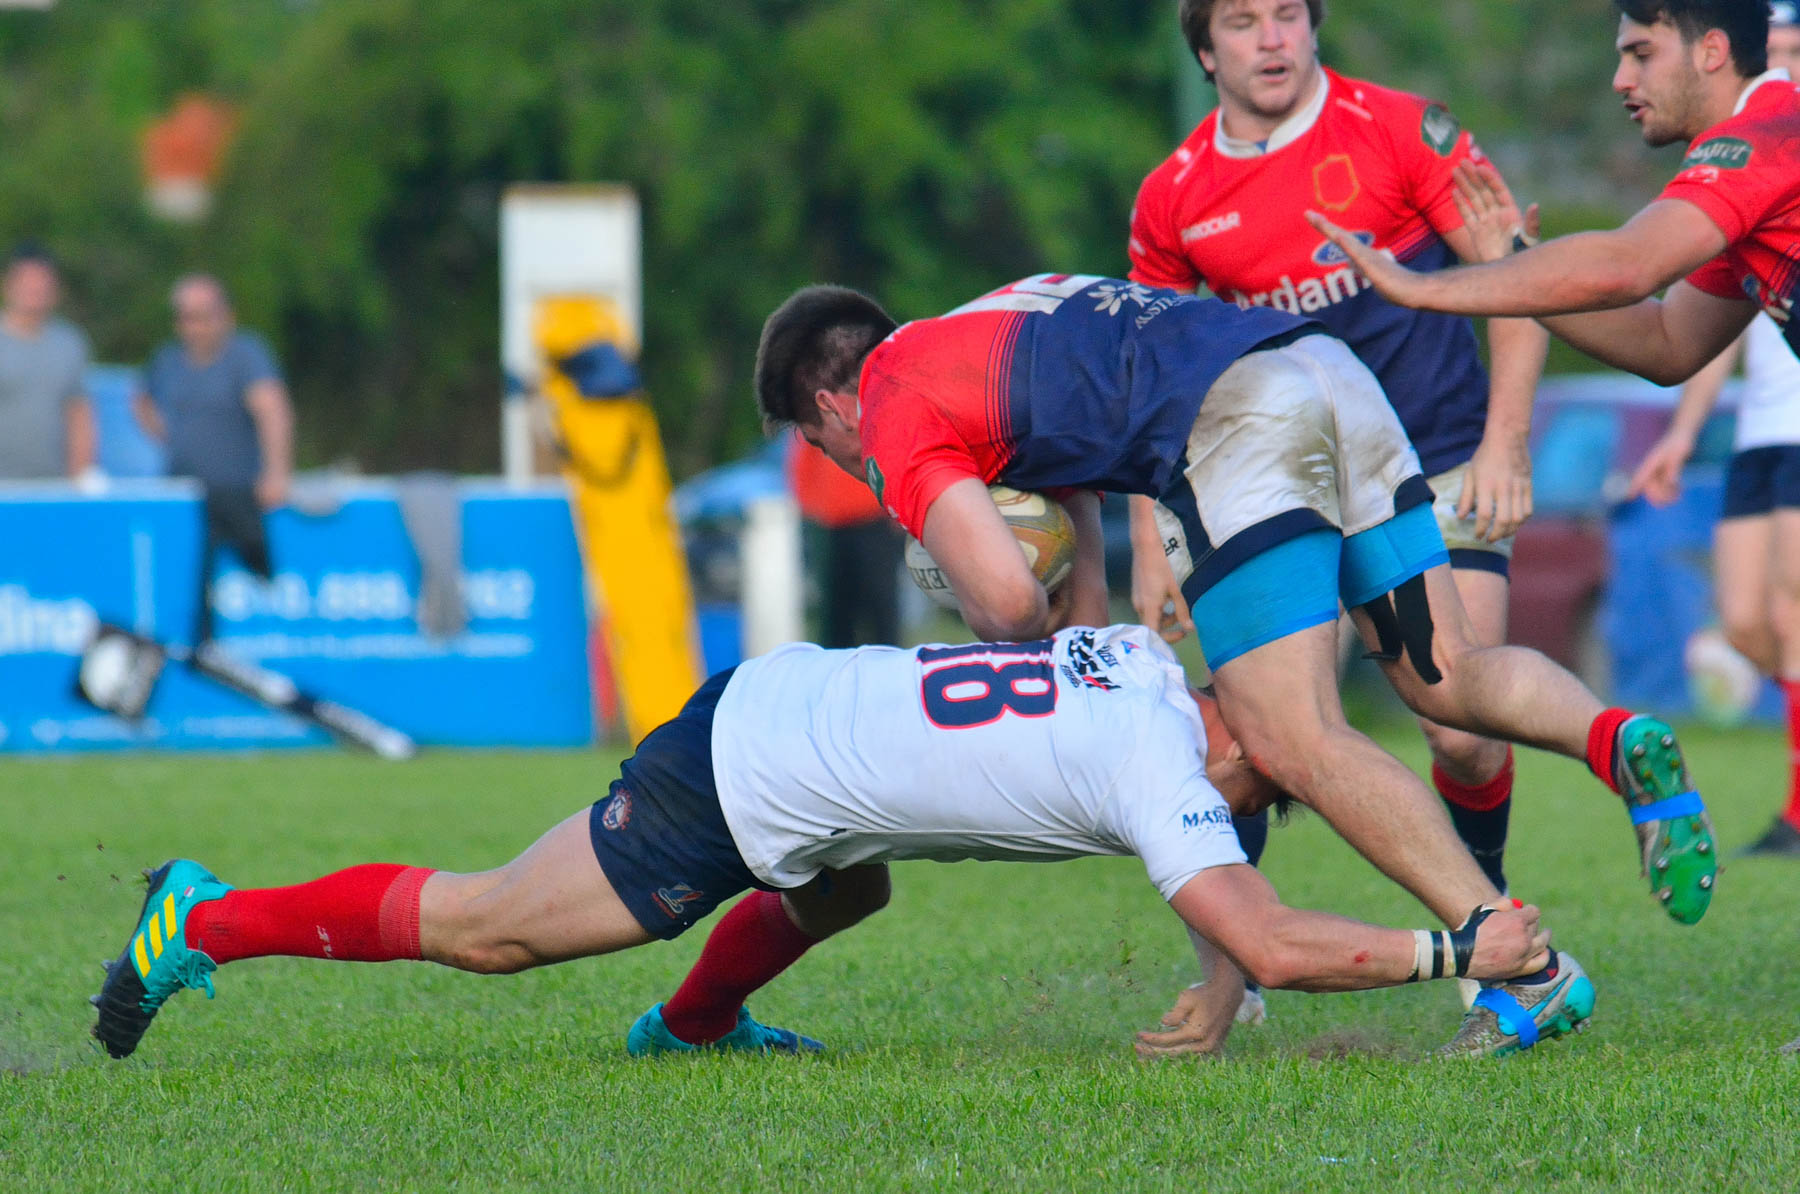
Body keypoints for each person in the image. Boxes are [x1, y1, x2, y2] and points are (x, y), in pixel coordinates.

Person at [751, 274, 1717, 1054]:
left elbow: (1005, 603)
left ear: (829, 406)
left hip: (1235, 423)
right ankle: (1613, 733)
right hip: (1328, 371)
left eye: (815, 441)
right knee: (1445, 673)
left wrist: (973, 585)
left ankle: (1524, 969)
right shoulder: (983, 327)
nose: (839, 456)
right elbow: (1077, 555)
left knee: (1296, 739)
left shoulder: (887, 407)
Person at [90, 624, 1570, 1064]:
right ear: (1249, 748)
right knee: (489, 927)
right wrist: (1459, 942)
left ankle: (691, 1025)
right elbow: (1259, 918)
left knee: (850, 878)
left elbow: (1220, 839)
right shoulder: (1161, 768)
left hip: (798, 706)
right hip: (746, 771)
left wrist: (1219, 974)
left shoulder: (1144, 667)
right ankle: (203, 919)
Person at [1127, 0, 1548, 910]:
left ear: (1314, 22)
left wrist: (1507, 441)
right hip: (1283, 494)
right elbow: (1153, 381)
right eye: (1243, 24)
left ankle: (1487, 913)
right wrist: (1154, 544)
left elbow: (1519, 280)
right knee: (1251, 737)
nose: (1271, 40)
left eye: (1286, 15)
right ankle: (1241, 960)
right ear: (1205, 52)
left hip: (1439, 458)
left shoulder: (1401, 130)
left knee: (1462, 726)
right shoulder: (1176, 196)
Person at [1308, 0, 1800, 388]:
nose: (1621, 80)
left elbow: (1626, 265)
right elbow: (1668, 344)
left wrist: (1418, 287)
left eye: (1642, 54)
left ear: (1711, 52)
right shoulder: (1749, 176)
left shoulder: (1765, 137)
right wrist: (1513, 258)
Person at [1623, 0, 1800, 859]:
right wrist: (1683, 435)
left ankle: (1798, 814)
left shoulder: (1780, 137)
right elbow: (1698, 335)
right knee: (1744, 621)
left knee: (1795, 609)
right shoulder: (1746, 178)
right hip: (1759, 429)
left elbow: (1632, 262)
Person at [133, 274, 294, 641]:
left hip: (238, 492)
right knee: (186, 585)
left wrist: (277, 472)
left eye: (205, 316)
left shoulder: (246, 354)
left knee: (256, 572)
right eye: (188, 317)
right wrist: (172, 438)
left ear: (227, 316)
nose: (197, 327)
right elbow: (141, 401)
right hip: (182, 494)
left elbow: (272, 410)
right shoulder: (168, 360)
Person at [788, 434, 905, 647]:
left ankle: (889, 665)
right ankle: (838, 670)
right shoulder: (819, 409)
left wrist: (899, 505)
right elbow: (803, 462)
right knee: (836, 610)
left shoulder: (873, 411)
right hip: (832, 524)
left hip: (875, 519)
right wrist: (811, 506)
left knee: (881, 606)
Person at [0, 245, 96, 481]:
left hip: (53, 484)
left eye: (42, 283)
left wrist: (80, 476)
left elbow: (79, 414)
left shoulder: (70, 343)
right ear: (7, 285)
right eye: (26, 282)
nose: (34, 289)